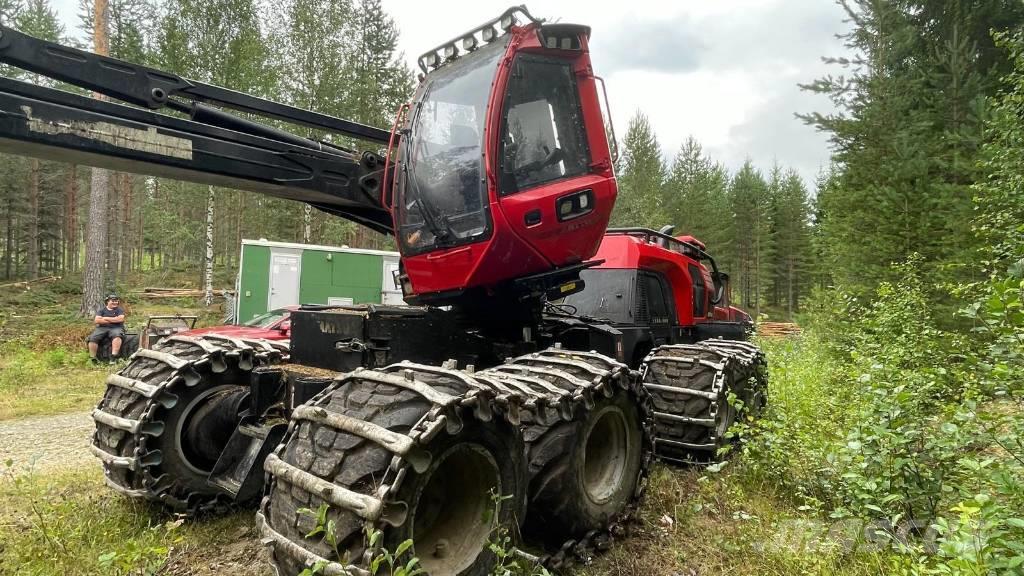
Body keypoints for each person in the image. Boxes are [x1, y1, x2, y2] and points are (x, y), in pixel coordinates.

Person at [88, 293, 126, 364]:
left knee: (117, 336)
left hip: (116, 328)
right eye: (113, 301)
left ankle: (113, 357)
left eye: (116, 301)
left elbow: (120, 319)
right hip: (102, 328)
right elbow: (97, 320)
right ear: (107, 302)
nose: (115, 302)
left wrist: (105, 318)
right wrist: (114, 319)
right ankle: (93, 358)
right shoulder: (102, 310)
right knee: (93, 338)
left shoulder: (119, 310)